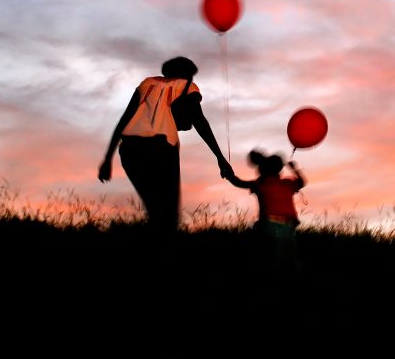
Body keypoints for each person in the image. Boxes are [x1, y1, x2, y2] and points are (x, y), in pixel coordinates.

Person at [99, 56, 231, 233]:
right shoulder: (187, 86)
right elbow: (200, 121)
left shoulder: (146, 84)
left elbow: (124, 120)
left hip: (130, 149)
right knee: (169, 214)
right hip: (161, 147)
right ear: (186, 74)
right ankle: (167, 251)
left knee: (154, 208)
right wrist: (220, 158)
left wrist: (107, 159)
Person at [221, 148, 306, 277]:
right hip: (288, 226)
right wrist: (295, 169)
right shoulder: (287, 183)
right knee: (288, 257)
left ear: (261, 170)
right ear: (278, 170)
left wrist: (228, 175)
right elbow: (302, 182)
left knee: (268, 256)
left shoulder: (261, 183)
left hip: (267, 225)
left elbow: (238, 182)